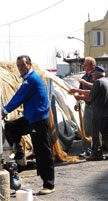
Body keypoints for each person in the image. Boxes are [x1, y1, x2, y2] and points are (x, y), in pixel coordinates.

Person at [1, 55, 55, 195]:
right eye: (18, 65)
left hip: (39, 120)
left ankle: (48, 184)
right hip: (31, 119)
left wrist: (5, 110)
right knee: (11, 127)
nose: (20, 68)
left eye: (22, 65)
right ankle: (20, 155)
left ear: (29, 65)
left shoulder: (31, 80)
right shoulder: (27, 79)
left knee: (42, 152)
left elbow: (19, 96)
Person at [70, 66, 108, 161]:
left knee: (96, 134)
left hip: (99, 113)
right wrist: (77, 91)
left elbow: (90, 98)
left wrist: (79, 98)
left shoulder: (98, 82)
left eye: (92, 73)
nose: (91, 75)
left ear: (97, 73)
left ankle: (97, 154)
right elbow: (91, 90)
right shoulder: (104, 81)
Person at [74, 57, 96, 159]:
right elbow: (80, 90)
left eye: (85, 65)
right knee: (86, 129)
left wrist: (81, 94)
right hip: (88, 106)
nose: (83, 67)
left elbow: (94, 90)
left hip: (97, 106)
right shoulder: (84, 77)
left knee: (97, 129)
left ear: (92, 66)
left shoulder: (96, 76)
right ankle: (86, 150)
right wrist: (77, 102)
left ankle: (97, 150)